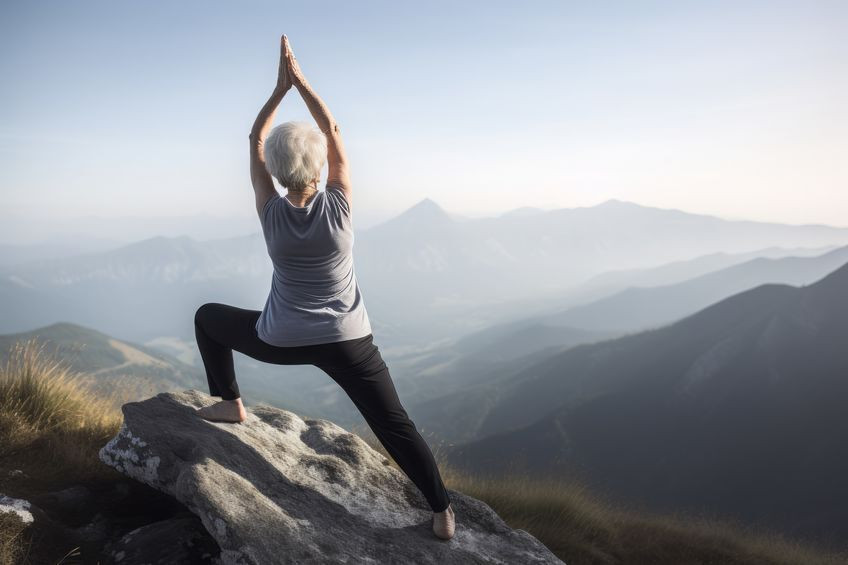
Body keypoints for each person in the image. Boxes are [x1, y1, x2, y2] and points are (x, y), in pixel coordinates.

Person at [192, 34, 455, 540]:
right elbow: (331, 128)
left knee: (208, 317)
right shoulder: (339, 206)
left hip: (281, 340)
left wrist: (276, 91)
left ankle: (229, 402)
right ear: (319, 168)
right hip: (349, 342)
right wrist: (300, 81)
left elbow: (254, 140)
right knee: (395, 425)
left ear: (272, 169)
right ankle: (442, 513)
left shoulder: (269, 211)